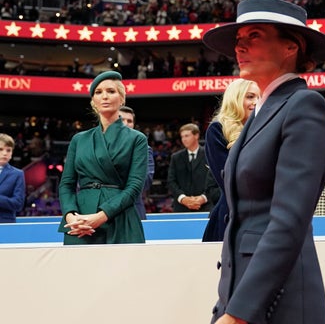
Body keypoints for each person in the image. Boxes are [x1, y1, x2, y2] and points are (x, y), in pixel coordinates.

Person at [174, 0, 325, 324]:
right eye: (239, 39)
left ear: (292, 46)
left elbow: (287, 222)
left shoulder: (305, 106)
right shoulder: (261, 110)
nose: (240, 46)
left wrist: (237, 315)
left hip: (276, 305)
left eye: (254, 36)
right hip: (246, 297)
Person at [58, 71, 147, 244]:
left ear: (122, 99)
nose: (104, 96)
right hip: (80, 223)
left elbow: (135, 187)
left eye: (111, 91)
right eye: (98, 92)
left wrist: (101, 216)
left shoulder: (137, 139)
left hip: (120, 218)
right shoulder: (79, 139)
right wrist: (70, 216)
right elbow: (66, 184)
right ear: (93, 102)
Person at [201, 78, 260, 242]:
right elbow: (227, 178)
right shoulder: (217, 130)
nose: (255, 102)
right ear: (235, 98)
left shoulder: (267, 129)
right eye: (250, 96)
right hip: (233, 216)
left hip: (265, 216)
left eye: (259, 97)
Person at [167, 123, 215, 213]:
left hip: (206, 207)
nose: (184, 139)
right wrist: (183, 198)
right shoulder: (176, 157)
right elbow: (171, 181)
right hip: (181, 208)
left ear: (196, 135)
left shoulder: (209, 155)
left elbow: (215, 180)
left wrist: (203, 198)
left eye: (187, 136)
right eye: (182, 137)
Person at [119, 106, 155, 220]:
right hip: (101, 213)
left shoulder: (144, 148)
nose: (126, 123)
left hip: (133, 210)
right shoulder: (99, 146)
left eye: (129, 121)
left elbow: (146, 180)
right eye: (121, 120)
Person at [0, 133, 25, 222]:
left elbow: (18, 204)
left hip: (5, 224)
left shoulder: (17, 174)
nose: (4, 153)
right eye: (1, 149)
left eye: (8, 150)